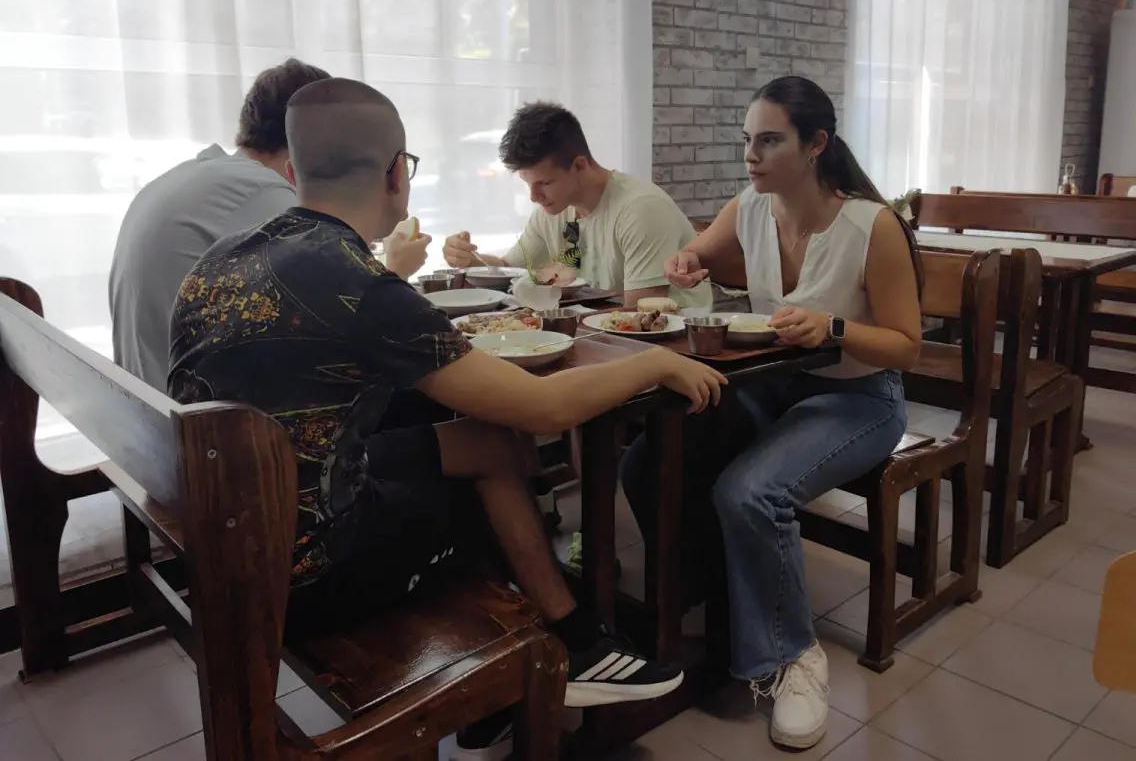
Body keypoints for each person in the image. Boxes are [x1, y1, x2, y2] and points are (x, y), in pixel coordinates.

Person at [168, 78, 727, 755]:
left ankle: (562, 643)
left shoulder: (222, 258)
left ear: (292, 171)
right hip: (305, 569)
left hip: (226, 532)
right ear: (395, 174)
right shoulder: (361, 283)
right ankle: (529, 656)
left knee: (483, 443)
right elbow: (543, 408)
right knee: (479, 470)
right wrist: (655, 364)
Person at [620, 76, 923, 751]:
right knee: (647, 460)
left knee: (750, 490)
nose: (751, 156)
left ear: (816, 144)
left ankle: (793, 655)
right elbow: (696, 253)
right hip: (775, 385)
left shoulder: (872, 226)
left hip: (860, 397)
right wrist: (687, 262)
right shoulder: (751, 206)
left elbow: (907, 346)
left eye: (769, 141)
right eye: (747, 140)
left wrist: (834, 326)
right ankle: (720, 598)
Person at [109, 58, 333, 390]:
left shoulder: (195, 176)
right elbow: (332, 319)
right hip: (192, 414)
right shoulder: (262, 192)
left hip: (147, 401)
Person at [441, 102, 712, 311]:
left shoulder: (641, 209)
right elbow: (509, 268)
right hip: (600, 335)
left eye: (544, 183)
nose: (534, 196)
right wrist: (470, 260)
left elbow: (642, 313)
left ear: (580, 166)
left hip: (673, 346)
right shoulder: (554, 209)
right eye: (527, 183)